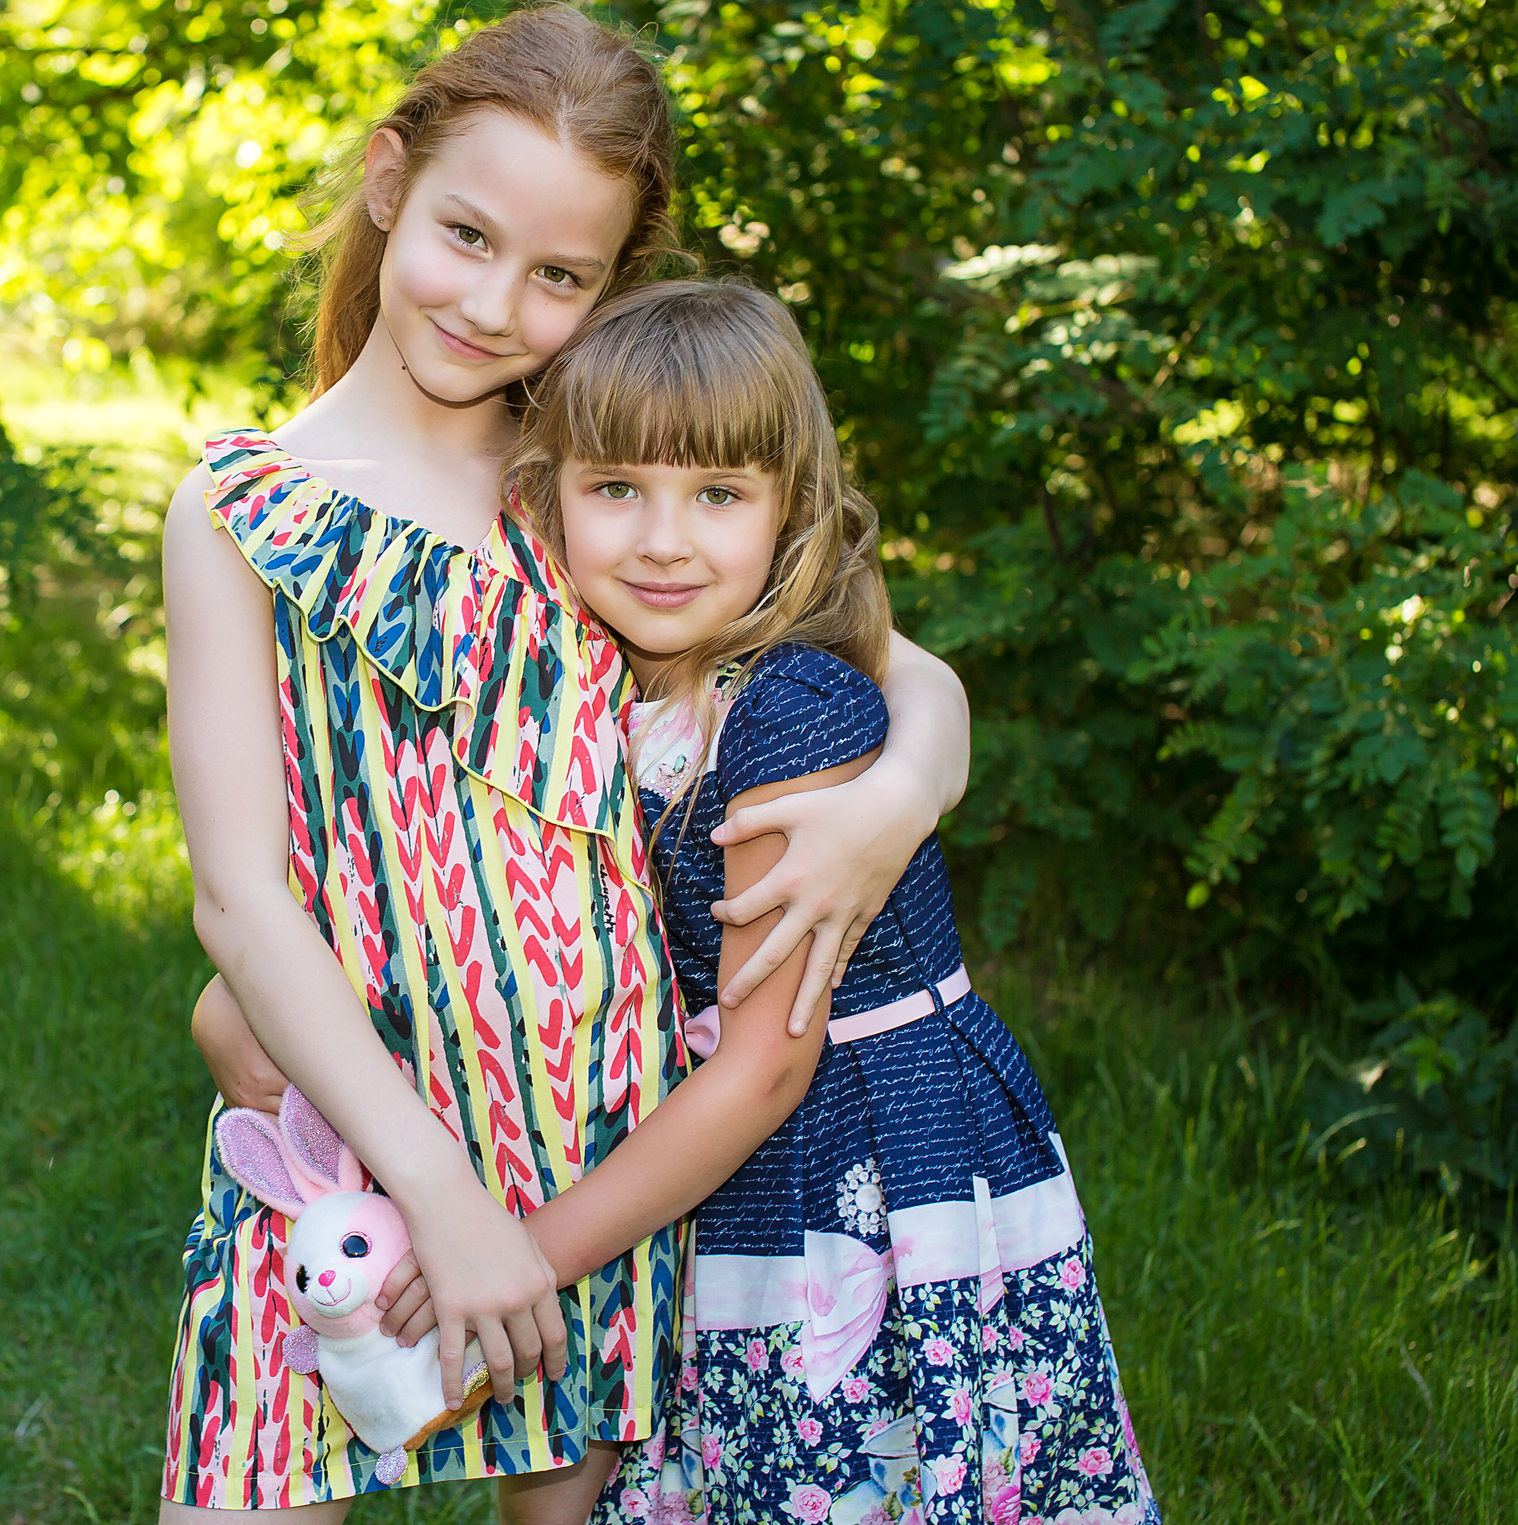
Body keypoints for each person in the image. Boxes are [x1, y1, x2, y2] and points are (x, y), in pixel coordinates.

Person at [162, 8, 977, 1520]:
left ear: (611, 286)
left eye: (561, 275)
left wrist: (905, 789)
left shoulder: (593, 470)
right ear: (388, 179)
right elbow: (240, 901)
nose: (494, 303)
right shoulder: (242, 512)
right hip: (350, 1143)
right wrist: (440, 1196)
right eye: (468, 234)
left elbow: (876, 647)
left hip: (592, 1160)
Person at [487, 278, 1155, 1524]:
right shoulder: (595, 679)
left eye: (719, 495)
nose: (663, 540)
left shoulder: (785, 707)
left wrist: (524, 1259)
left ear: (789, 506)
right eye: (616, 488)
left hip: (862, 1150)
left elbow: (762, 1071)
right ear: (546, 494)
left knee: (856, 1469)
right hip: (733, 1140)